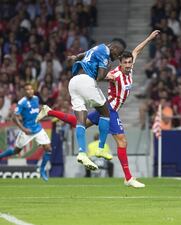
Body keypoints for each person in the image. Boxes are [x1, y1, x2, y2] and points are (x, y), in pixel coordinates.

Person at [37, 30, 161, 187]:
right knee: (122, 141)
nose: (129, 65)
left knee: (78, 123)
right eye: (126, 63)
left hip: (106, 107)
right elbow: (101, 75)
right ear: (120, 63)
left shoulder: (129, 67)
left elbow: (137, 50)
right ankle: (128, 177)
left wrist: (149, 38)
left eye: (130, 62)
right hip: (111, 109)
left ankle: (48, 111)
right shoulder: (115, 74)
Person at [67, 40, 124, 171]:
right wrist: (108, 70)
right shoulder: (105, 52)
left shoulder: (97, 48)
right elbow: (100, 77)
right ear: (114, 48)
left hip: (73, 82)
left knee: (81, 120)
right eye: (118, 54)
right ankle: (101, 149)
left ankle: (82, 153)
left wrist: (75, 57)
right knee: (105, 113)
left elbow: (82, 54)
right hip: (86, 81)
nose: (116, 58)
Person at [0, 83, 51, 181]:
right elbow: (13, 117)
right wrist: (23, 129)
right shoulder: (22, 102)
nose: (30, 91)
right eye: (27, 90)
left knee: (48, 148)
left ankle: (42, 170)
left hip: (38, 129)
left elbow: (35, 110)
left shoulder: (36, 98)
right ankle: (1, 156)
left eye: (31, 89)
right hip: (27, 131)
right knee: (16, 151)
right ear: (24, 92)